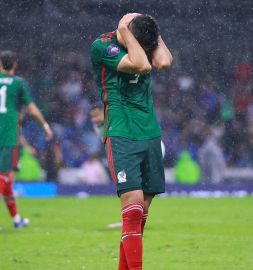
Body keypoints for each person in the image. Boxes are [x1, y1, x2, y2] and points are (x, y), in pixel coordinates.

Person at [90, 13, 173, 269]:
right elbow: (142, 64)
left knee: (138, 218)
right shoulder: (102, 46)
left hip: (149, 131)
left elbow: (165, 62)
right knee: (133, 206)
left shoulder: (141, 43)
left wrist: (154, 33)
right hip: (121, 130)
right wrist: (125, 31)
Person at [0, 50, 53, 231]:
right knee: (4, 176)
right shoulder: (18, 84)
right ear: (14, 64)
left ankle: (16, 219)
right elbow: (32, 110)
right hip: (9, 138)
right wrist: (45, 126)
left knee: (5, 178)